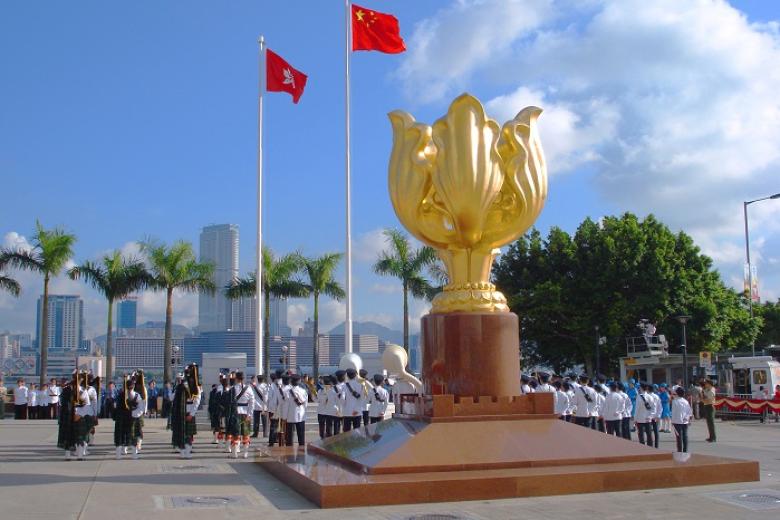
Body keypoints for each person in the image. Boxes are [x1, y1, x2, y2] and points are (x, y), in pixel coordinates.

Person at [171, 364, 201, 459]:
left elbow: (172, 398)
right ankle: (185, 453)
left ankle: (184, 453)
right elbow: (197, 401)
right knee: (186, 434)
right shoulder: (193, 386)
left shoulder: (183, 386)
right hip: (186, 412)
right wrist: (192, 414)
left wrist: (191, 414)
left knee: (185, 434)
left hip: (183, 412)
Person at [224, 371, 254, 458]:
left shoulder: (232, 389)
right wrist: (250, 414)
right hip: (245, 414)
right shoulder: (249, 388)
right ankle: (245, 453)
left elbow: (228, 403)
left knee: (235, 434)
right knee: (246, 433)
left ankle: (234, 454)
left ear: (236, 378)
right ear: (243, 378)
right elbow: (252, 402)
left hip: (235, 413)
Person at [73, 372, 92, 460]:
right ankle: (79, 451)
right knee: (79, 435)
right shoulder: (74, 389)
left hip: (82, 413)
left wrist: (78, 414)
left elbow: (85, 403)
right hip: (78, 414)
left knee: (82, 435)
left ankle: (81, 452)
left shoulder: (82, 390)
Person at [57, 376, 76, 459]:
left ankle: (68, 453)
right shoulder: (69, 390)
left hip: (67, 415)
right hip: (69, 415)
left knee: (67, 435)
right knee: (69, 435)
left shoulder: (67, 390)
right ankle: (70, 452)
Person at [286, 374, 308, 446]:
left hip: (290, 415)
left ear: (291, 381)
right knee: (301, 437)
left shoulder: (287, 392)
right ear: (299, 381)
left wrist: (284, 416)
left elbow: (285, 405)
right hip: (301, 415)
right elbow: (305, 405)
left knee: (289, 437)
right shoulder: (303, 391)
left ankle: (289, 451)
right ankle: (301, 451)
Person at [671, 387, 693, 453]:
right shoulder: (685, 401)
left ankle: (679, 450)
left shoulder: (675, 401)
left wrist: (672, 421)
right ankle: (685, 450)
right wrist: (687, 418)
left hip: (677, 421)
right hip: (685, 421)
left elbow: (673, 412)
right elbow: (689, 411)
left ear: (677, 393)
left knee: (679, 437)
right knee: (685, 436)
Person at [634, 383, 654, 447]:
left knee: (641, 434)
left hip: (640, 418)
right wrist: (650, 416)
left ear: (641, 388)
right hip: (648, 418)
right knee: (649, 434)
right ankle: (650, 447)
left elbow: (637, 409)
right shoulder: (650, 397)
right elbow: (653, 408)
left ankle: (642, 447)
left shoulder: (639, 397)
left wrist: (635, 419)